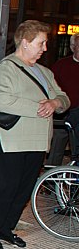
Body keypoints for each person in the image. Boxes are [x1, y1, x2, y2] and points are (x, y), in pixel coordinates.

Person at [0, 20, 70, 249]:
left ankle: (6, 229)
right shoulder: (8, 67)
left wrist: (55, 102)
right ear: (25, 42)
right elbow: (1, 99)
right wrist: (40, 107)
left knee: (23, 190)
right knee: (7, 189)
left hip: (37, 141)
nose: (44, 48)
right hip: (11, 141)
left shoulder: (45, 72)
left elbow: (64, 98)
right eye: (41, 43)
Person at [49, 33, 79, 164]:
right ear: (73, 47)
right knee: (56, 150)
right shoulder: (61, 65)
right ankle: (51, 179)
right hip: (63, 116)